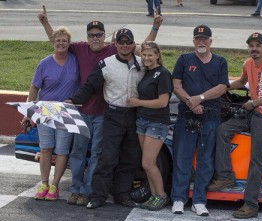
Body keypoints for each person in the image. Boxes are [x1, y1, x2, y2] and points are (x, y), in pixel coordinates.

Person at [38, 5, 163, 206]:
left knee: (99, 154)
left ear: (106, 37)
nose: (95, 38)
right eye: (92, 35)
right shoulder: (80, 49)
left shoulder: (116, 51)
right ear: (87, 37)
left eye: (99, 35)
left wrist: (155, 27)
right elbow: (58, 41)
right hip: (83, 111)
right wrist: (45, 22)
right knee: (78, 152)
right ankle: (77, 189)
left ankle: (89, 190)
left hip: (105, 113)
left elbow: (146, 49)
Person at [66, 28, 147, 209]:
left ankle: (122, 195)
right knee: (106, 158)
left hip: (135, 115)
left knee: (129, 158)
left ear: (133, 44)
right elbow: (90, 86)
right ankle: (98, 196)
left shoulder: (143, 64)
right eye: (121, 42)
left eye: (128, 42)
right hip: (113, 115)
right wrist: (73, 100)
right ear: (115, 44)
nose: (125, 45)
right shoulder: (105, 64)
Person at [208, 32, 262, 219]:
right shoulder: (248, 63)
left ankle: (250, 205)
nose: (254, 49)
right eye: (251, 45)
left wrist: (254, 103)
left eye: (258, 45)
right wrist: (222, 88)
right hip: (254, 112)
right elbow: (242, 82)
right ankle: (225, 176)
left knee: (256, 160)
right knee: (222, 131)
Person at [171, 24, 229, 216]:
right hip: (187, 115)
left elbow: (222, 87)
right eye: (197, 38)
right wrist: (191, 102)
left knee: (205, 161)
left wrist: (200, 98)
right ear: (193, 40)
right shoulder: (184, 59)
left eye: (204, 38)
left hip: (211, 117)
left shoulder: (220, 61)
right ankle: (179, 198)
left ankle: (199, 200)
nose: (201, 41)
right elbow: (176, 85)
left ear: (211, 41)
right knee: (182, 157)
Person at [21, 26, 80, 201]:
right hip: (45, 109)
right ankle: (44, 183)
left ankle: (55, 185)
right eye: (58, 40)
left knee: (62, 150)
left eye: (64, 41)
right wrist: (28, 112)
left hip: (65, 111)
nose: (61, 43)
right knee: (46, 148)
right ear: (52, 43)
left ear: (69, 44)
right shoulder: (44, 63)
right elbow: (34, 88)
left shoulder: (76, 61)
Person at [127, 41, 173, 211]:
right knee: (147, 162)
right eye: (144, 55)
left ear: (157, 55)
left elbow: (162, 102)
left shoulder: (162, 74)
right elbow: (135, 47)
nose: (146, 58)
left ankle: (161, 195)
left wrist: (138, 102)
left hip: (157, 122)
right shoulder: (146, 72)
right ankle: (154, 196)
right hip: (142, 121)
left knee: (148, 163)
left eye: (150, 55)